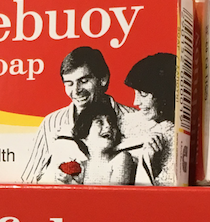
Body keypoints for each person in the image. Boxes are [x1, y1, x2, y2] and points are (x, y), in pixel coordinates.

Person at [21, 45, 144, 182]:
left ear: (103, 79)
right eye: (69, 84)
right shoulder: (51, 123)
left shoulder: (138, 120)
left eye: (84, 81)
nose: (76, 91)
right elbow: (29, 179)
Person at [125, 52, 178, 185]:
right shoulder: (128, 122)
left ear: (164, 94)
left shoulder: (179, 139)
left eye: (143, 94)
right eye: (135, 93)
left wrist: (153, 167)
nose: (136, 102)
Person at [69, 101, 136, 184]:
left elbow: (116, 192)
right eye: (99, 122)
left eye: (111, 122)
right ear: (84, 136)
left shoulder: (121, 158)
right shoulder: (81, 167)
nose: (108, 126)